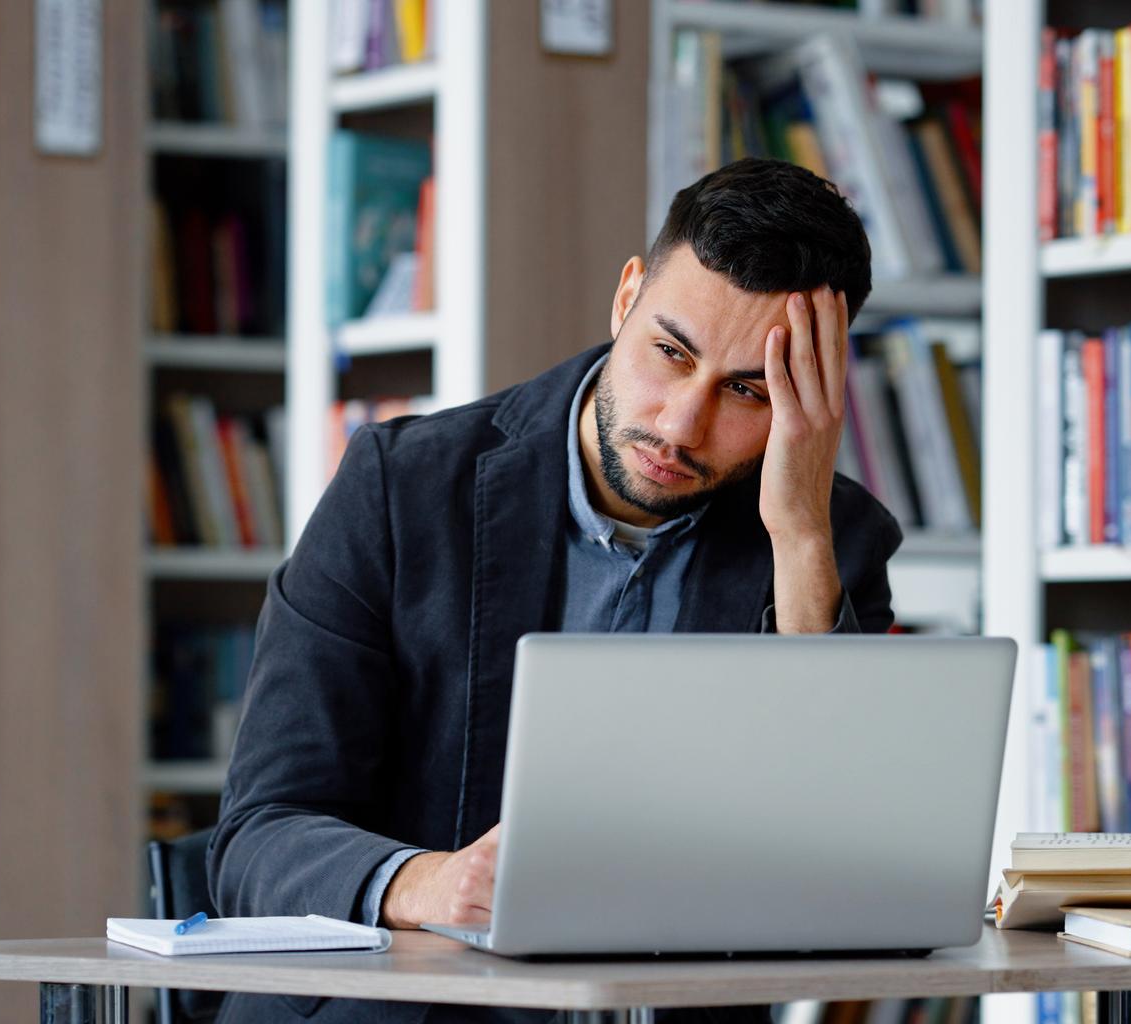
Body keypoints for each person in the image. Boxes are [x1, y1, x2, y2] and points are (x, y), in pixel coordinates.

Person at [208, 157, 904, 1023]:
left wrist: (799, 533)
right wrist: (431, 883)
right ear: (626, 299)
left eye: (746, 392)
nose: (680, 424)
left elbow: (844, 868)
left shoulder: (831, 546)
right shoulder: (402, 488)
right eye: (669, 352)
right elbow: (259, 835)